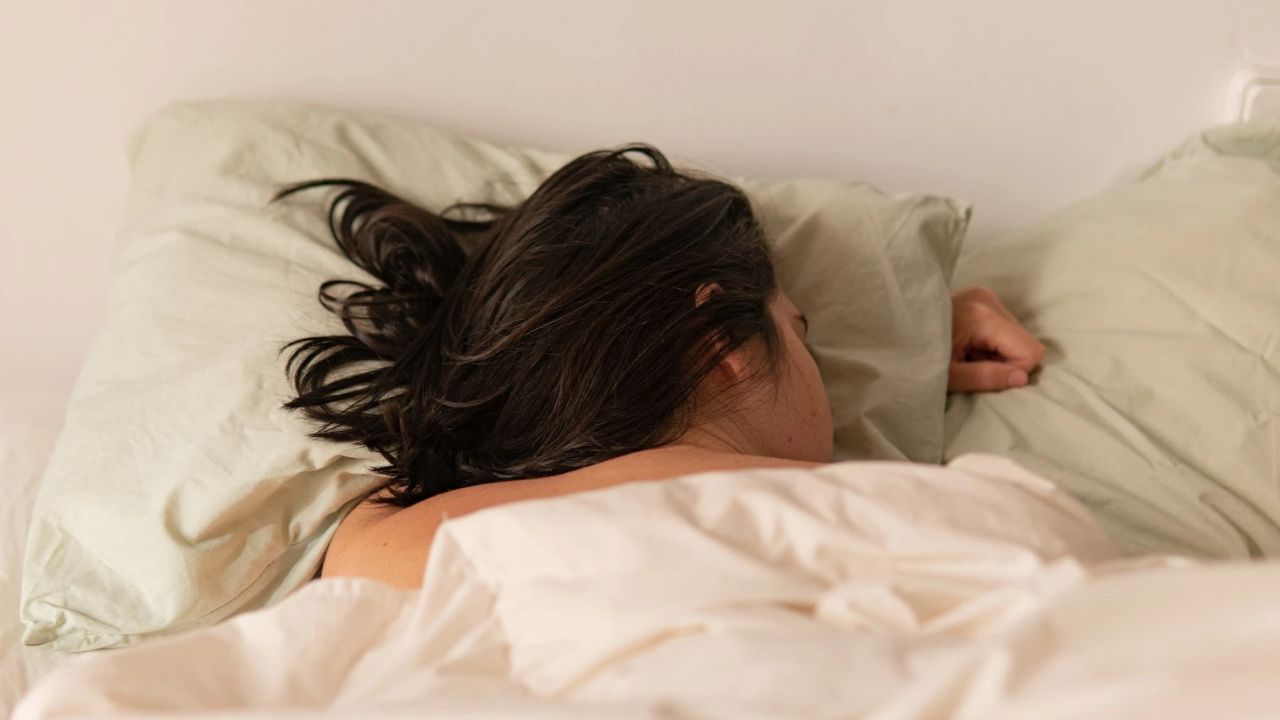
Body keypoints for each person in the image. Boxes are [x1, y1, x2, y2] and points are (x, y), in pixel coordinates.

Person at [275, 145, 1045, 589]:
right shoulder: (866, 514)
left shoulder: (379, 543)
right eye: (800, 332)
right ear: (725, 342)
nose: (821, 371)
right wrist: (905, 329)